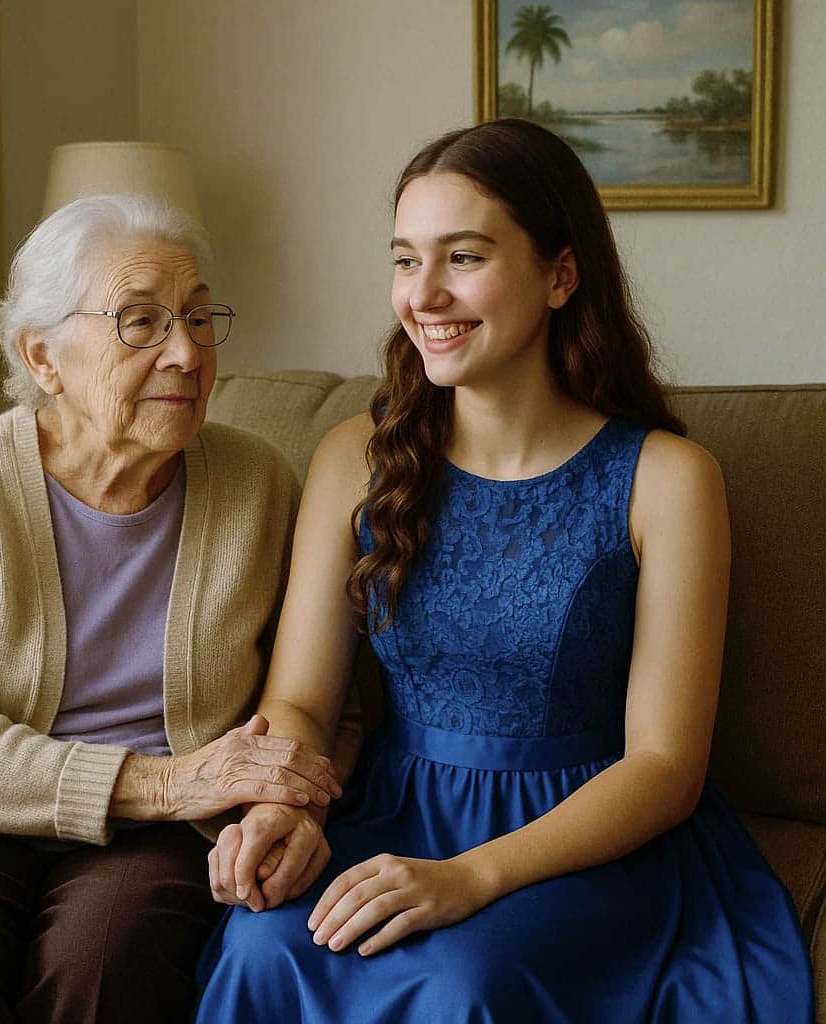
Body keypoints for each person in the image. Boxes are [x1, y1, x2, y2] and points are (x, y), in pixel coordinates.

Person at [194, 120, 814, 1021]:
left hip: (585, 840)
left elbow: (667, 764)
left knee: (462, 981)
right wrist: (290, 810)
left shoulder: (669, 481)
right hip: (394, 816)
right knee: (260, 945)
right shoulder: (350, 457)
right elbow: (302, 702)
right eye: (406, 261)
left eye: (465, 257)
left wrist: (472, 877)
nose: (425, 294)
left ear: (561, 274)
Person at [0, 193, 353, 1024]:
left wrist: (285, 801)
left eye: (200, 319)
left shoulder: (260, 485)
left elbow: (329, 695)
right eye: (141, 323)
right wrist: (168, 782)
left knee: (105, 970)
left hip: (164, 833)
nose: (186, 352)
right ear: (44, 357)